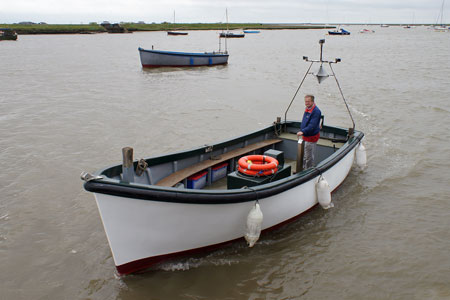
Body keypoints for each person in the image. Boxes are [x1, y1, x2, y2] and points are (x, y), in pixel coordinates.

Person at [297, 94, 321, 169]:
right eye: (305, 101)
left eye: (308, 101)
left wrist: (303, 131)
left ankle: (308, 170)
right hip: (305, 136)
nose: (306, 103)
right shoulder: (307, 108)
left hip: (311, 137)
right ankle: (304, 168)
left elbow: (312, 126)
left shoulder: (316, 111)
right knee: (305, 155)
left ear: (312, 101)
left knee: (309, 156)